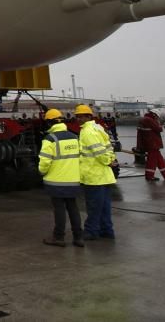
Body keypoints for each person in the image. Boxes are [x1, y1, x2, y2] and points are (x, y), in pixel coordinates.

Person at [38, 109, 83, 247]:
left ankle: (59, 237)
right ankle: (78, 238)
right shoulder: (74, 137)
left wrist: (41, 172)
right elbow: (81, 158)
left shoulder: (50, 139)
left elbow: (45, 162)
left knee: (59, 209)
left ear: (49, 122)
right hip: (74, 180)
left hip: (56, 181)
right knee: (73, 208)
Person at [74, 104, 116, 241]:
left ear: (88, 117)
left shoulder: (87, 132)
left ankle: (91, 231)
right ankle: (107, 230)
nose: (79, 119)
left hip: (93, 176)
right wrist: (111, 159)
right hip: (104, 175)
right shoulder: (98, 128)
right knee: (104, 206)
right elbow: (108, 146)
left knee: (93, 206)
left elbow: (98, 151)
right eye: (77, 117)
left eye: (81, 116)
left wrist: (107, 160)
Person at [136, 110, 165, 181]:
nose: (157, 118)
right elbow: (159, 129)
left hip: (151, 144)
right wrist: (159, 123)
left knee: (160, 160)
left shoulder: (144, 119)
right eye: (156, 117)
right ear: (154, 114)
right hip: (152, 144)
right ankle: (149, 176)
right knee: (151, 161)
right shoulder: (149, 120)